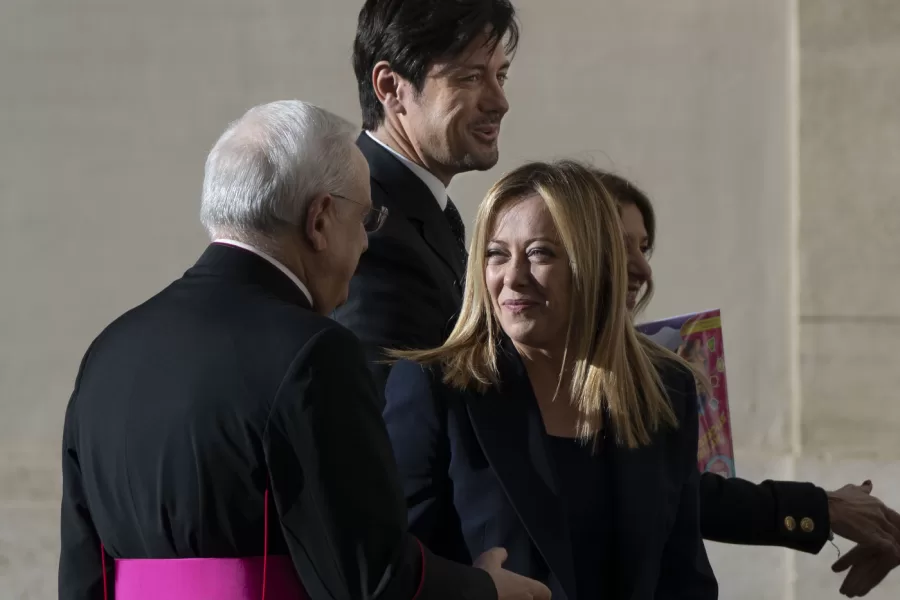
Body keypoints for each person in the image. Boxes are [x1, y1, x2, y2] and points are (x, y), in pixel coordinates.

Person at [58, 100, 550, 600]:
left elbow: (81, 573)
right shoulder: (314, 354)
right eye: (365, 220)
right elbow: (371, 578)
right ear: (319, 220)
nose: (364, 244)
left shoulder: (108, 350)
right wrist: (484, 588)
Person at [383, 160, 719, 600]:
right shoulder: (435, 387)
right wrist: (469, 589)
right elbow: (389, 571)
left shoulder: (664, 389)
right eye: (496, 254)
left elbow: (684, 577)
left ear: (595, 264)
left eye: (540, 253)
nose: (513, 277)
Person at [597, 168, 900, 597]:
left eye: (644, 247)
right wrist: (821, 507)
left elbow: (683, 496)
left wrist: (823, 508)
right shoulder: (509, 383)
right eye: (617, 245)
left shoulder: (666, 375)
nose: (642, 268)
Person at [334, 0, 517, 400]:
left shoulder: (406, 205)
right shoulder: (365, 226)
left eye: (500, 75)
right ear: (390, 87)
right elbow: (386, 424)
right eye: (470, 77)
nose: (499, 101)